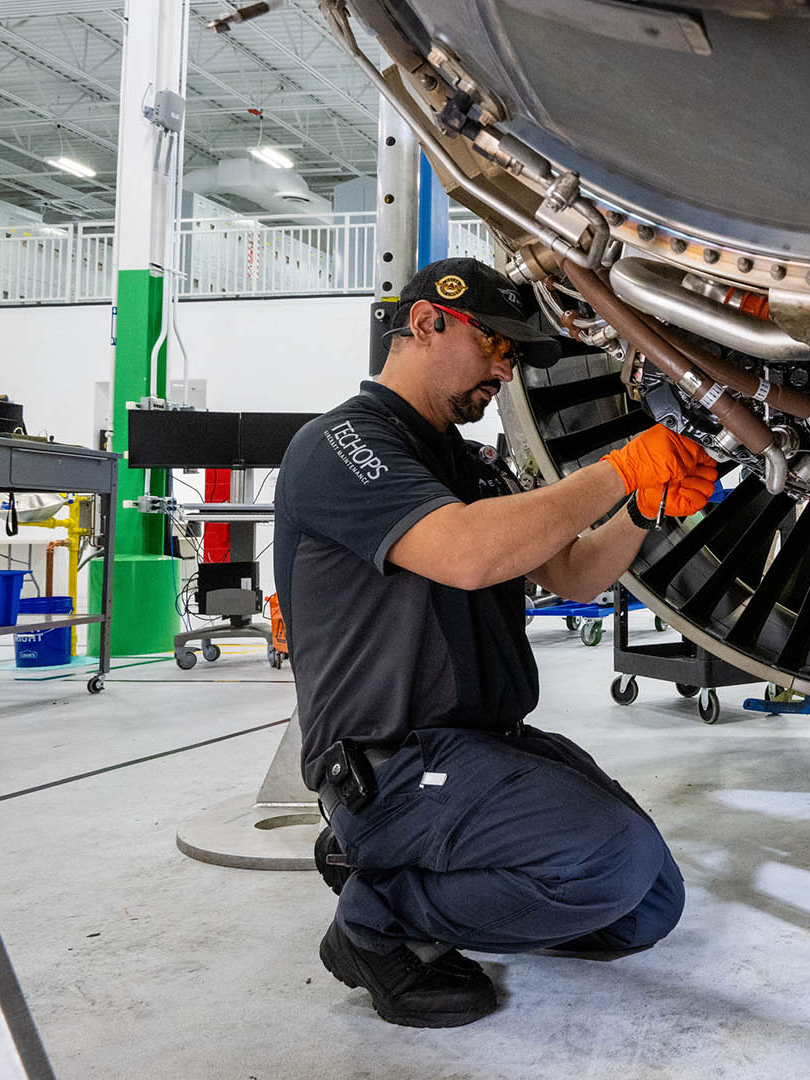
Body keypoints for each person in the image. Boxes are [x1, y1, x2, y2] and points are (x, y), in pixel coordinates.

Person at [273, 257, 718, 1027]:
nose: (505, 372)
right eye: (496, 348)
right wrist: (622, 467)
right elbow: (466, 553)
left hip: (481, 748)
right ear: (425, 324)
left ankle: (417, 879)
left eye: (514, 358)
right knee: (609, 861)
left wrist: (644, 507)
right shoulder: (342, 445)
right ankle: (376, 918)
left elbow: (575, 574)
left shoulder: (473, 466)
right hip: (396, 762)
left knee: (648, 905)